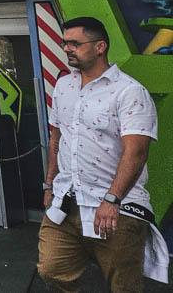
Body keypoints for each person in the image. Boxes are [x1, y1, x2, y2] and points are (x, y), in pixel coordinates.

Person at [38, 17, 168, 290]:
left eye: (74, 43)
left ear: (100, 47)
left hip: (115, 208)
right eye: (64, 42)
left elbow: (137, 152)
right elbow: (56, 138)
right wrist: (49, 185)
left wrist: (112, 199)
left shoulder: (130, 91)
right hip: (66, 201)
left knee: (123, 285)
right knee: (51, 269)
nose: (66, 48)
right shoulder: (64, 86)